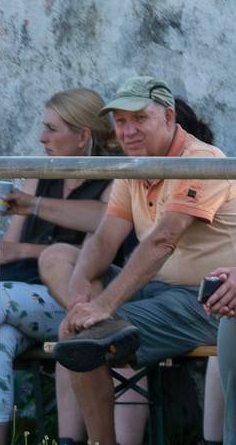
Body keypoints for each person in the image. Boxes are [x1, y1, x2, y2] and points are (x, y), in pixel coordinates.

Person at [58, 77, 236, 445]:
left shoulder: (202, 161)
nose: (128, 130)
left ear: (169, 117)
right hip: (160, 291)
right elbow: (107, 236)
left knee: (87, 338)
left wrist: (105, 304)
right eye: (120, 122)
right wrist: (80, 282)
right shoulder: (136, 166)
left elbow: (163, 239)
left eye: (139, 119)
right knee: (72, 319)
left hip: (206, 300)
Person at [0, 88, 128, 444]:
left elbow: (102, 222)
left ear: (82, 137)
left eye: (51, 129)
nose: (41, 138)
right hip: (25, 298)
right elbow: (12, 246)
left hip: (73, 302)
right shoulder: (40, 175)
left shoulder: (114, 178)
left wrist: (30, 217)